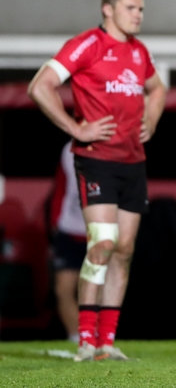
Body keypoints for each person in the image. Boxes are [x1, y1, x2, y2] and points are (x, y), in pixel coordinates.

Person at [28, 0, 167, 361]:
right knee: (102, 244)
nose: (138, 14)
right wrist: (76, 128)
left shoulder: (139, 52)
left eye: (141, 8)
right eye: (131, 8)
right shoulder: (87, 44)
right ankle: (85, 339)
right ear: (108, 9)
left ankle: (106, 342)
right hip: (97, 160)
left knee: (123, 250)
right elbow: (41, 86)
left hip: (133, 163)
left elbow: (157, 89)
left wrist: (151, 119)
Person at [50, 142, 88, 343]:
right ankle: (75, 338)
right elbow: (61, 185)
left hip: (96, 230)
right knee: (63, 289)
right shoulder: (67, 150)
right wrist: (55, 221)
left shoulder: (109, 144)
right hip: (68, 228)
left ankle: (94, 337)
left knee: (90, 290)